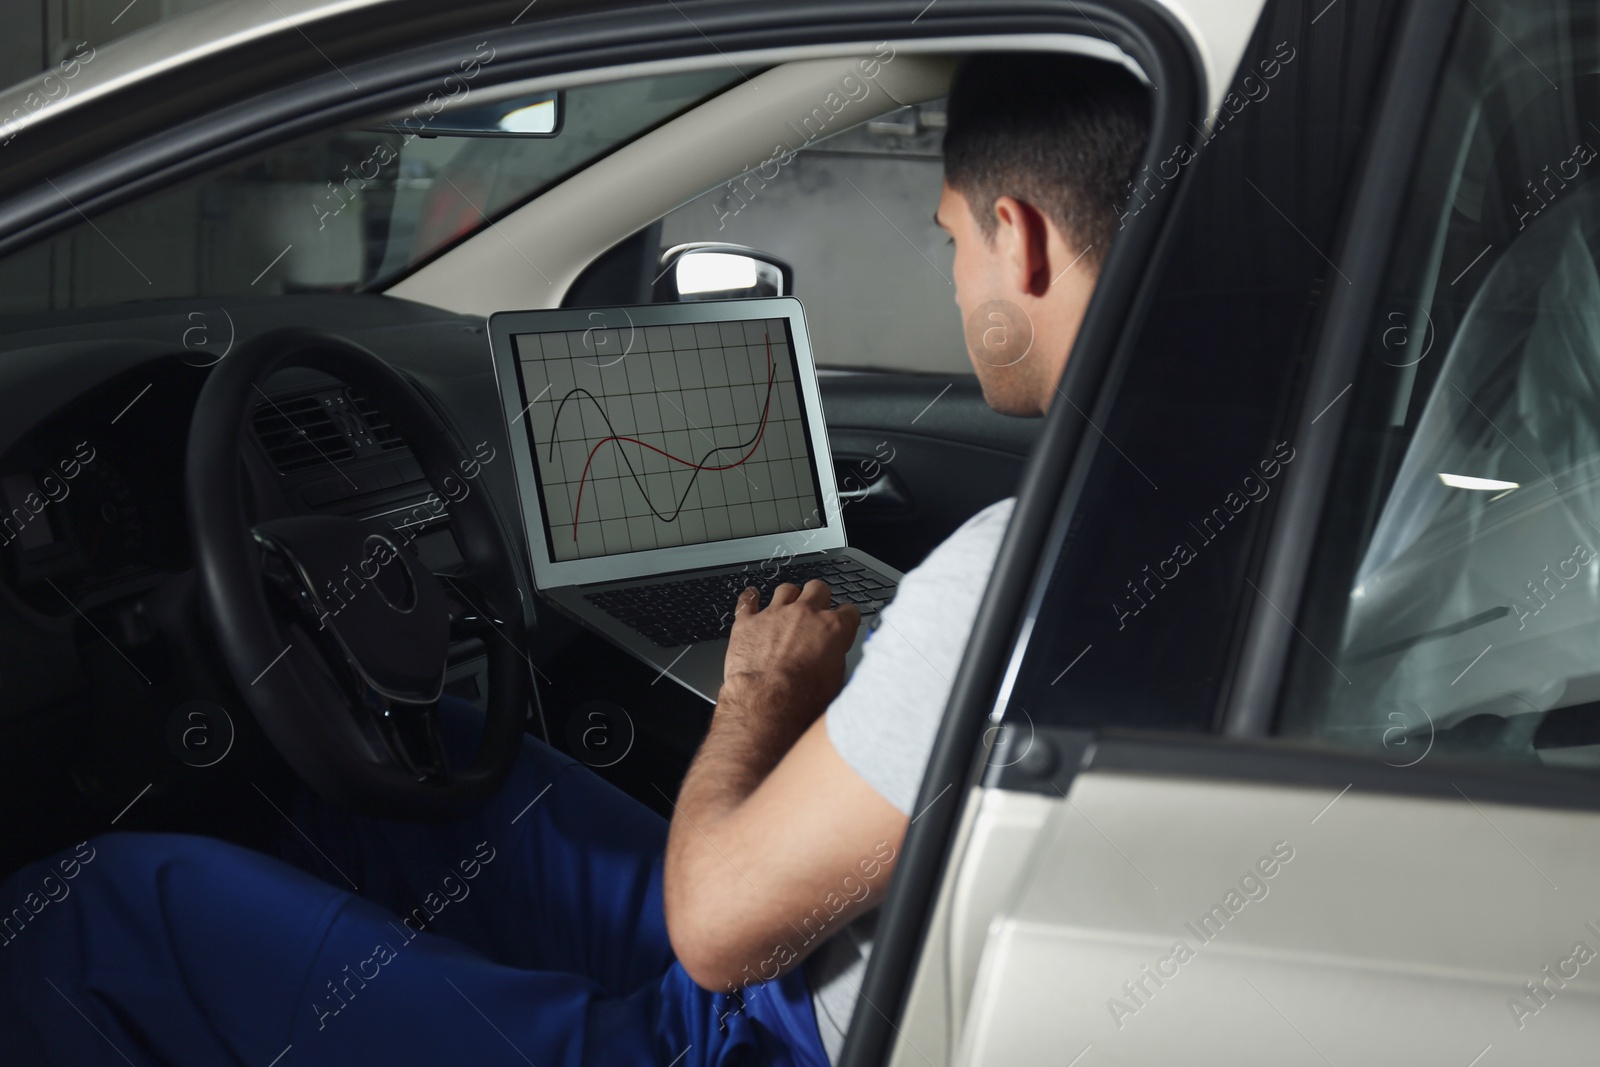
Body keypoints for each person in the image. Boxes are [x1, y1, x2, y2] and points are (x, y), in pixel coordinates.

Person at [0, 51, 1148, 1067]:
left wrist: (759, 694)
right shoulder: (1158, 510)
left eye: (952, 241)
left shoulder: (1013, 565)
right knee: (403, 775)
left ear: (1023, 238)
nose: (957, 280)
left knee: (96, 911)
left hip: (752, 1028)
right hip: (826, 952)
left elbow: (712, 928)